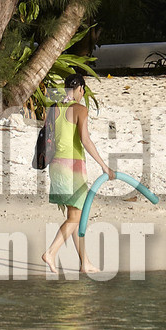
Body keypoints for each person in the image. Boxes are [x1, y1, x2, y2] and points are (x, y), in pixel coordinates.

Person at [40, 68, 115, 279]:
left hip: (56, 166)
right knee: (75, 217)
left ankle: (85, 262)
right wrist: (104, 166)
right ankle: (51, 252)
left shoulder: (53, 108)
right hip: (73, 168)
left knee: (74, 216)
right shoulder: (80, 109)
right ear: (80, 89)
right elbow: (86, 140)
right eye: (83, 90)